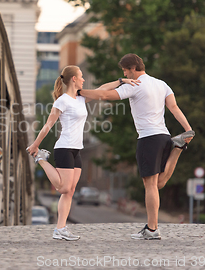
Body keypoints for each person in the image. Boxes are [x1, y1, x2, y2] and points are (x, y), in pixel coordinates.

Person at [78, 54, 194, 240]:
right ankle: (177, 149)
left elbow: (103, 95)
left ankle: (152, 229)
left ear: (132, 68)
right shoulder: (161, 84)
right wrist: (188, 129)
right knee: (158, 183)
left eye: (125, 71)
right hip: (163, 136)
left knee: (150, 185)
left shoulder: (134, 85)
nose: (125, 74)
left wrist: (79, 92)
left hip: (148, 138)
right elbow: (174, 107)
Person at [27, 65, 139, 241]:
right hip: (64, 147)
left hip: (77, 149)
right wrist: (35, 144)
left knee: (70, 191)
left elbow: (101, 90)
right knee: (63, 187)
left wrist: (120, 81)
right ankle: (41, 158)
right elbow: (48, 125)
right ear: (73, 79)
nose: (83, 79)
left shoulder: (80, 98)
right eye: (80, 76)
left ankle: (60, 229)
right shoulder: (62, 101)